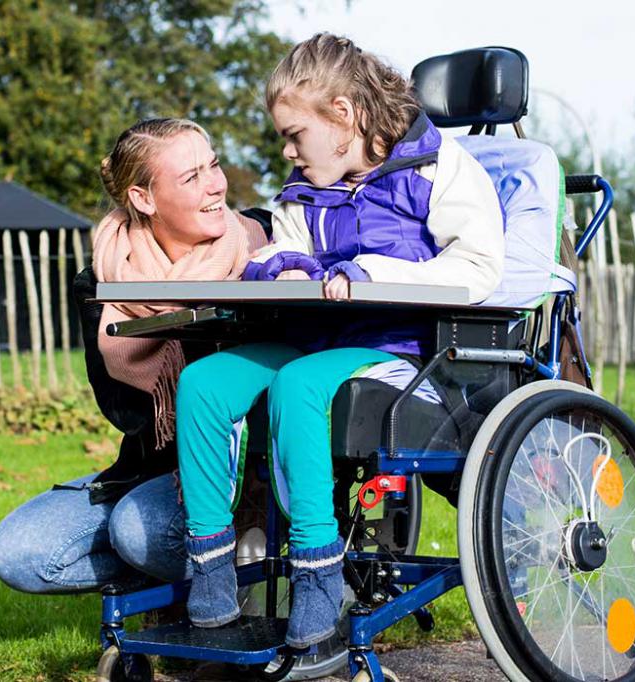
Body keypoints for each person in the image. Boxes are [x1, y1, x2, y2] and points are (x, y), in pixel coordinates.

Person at [175, 33, 505, 649]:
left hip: (403, 350)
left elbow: (480, 271)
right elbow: (283, 245)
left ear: (344, 117)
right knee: (204, 384)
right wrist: (282, 267)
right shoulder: (306, 185)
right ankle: (212, 569)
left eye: (295, 134)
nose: (287, 150)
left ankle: (319, 575)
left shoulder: (438, 170)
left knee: (301, 385)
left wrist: (372, 272)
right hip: (313, 338)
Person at [0, 118, 267, 593]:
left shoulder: (262, 251)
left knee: (138, 532)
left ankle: (262, 574)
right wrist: (169, 316)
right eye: (191, 177)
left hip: (254, 473)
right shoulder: (103, 281)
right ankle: (189, 579)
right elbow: (129, 413)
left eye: (213, 165)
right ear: (143, 199)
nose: (215, 185)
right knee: (21, 553)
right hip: (156, 467)